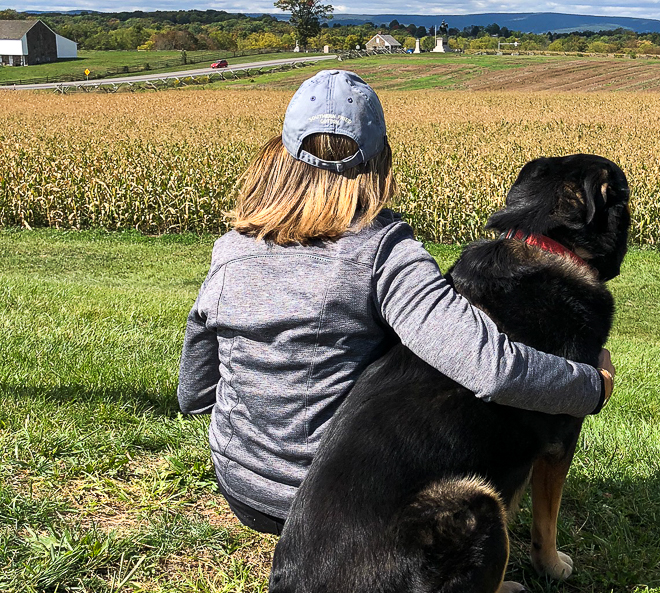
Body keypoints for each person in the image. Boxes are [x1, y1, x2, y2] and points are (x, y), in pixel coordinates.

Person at [178, 69, 615, 537]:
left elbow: (195, 392)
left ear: (279, 155)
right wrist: (591, 386)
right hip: (344, 503)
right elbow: (488, 367)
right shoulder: (383, 250)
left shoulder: (230, 249)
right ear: (381, 160)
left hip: (241, 490)